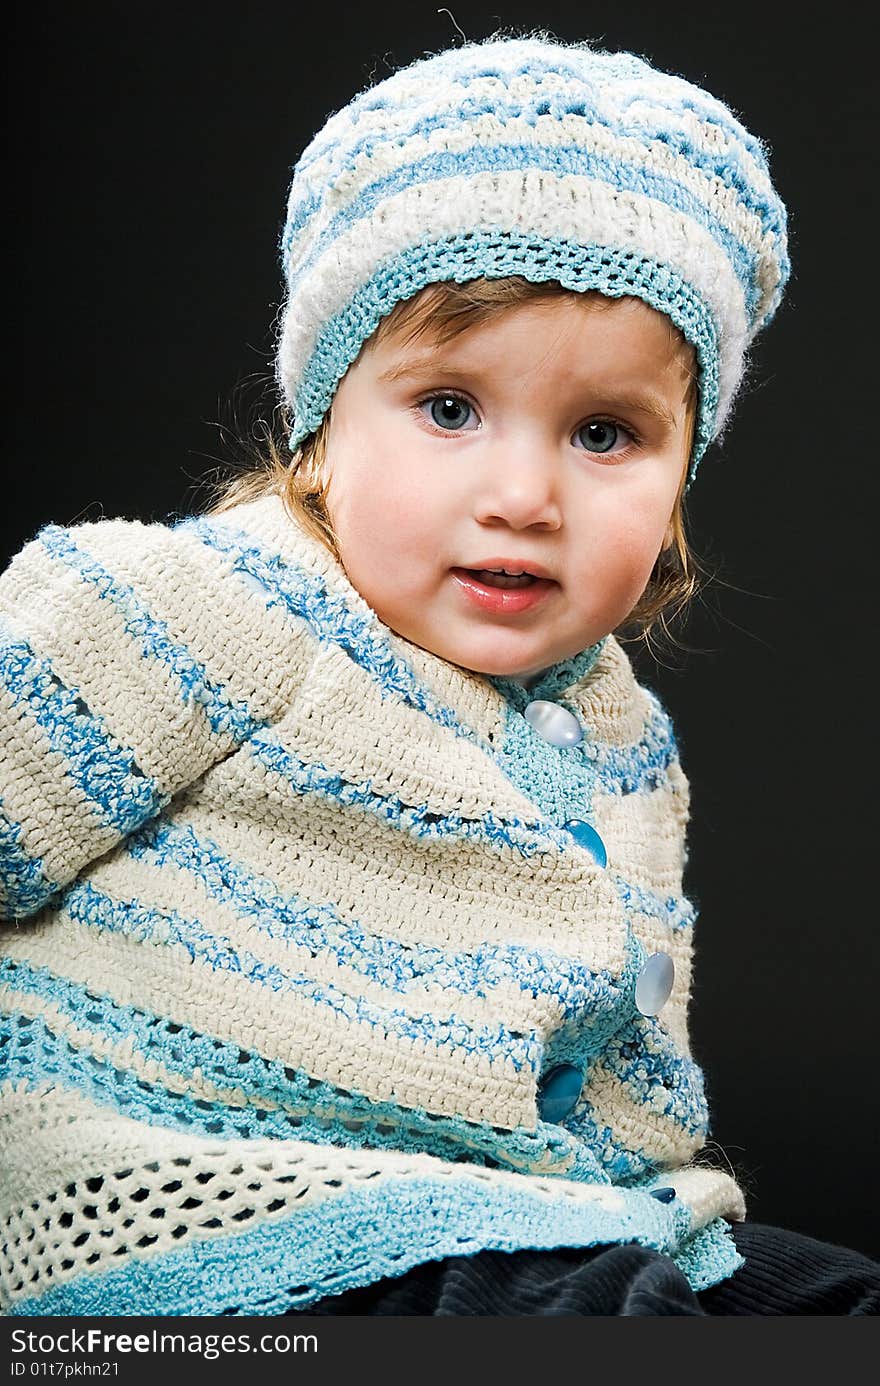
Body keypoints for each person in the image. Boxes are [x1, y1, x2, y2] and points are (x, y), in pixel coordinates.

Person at [0, 33, 876, 1318]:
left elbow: (615, 1070)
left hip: (519, 1210)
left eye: (603, 434)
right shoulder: (189, 612)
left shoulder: (617, 731)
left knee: (825, 1301)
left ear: (686, 468)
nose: (522, 497)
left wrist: (652, 1205)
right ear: (322, 419)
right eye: (449, 408)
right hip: (209, 1220)